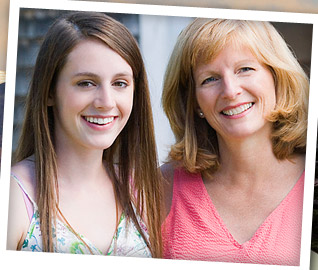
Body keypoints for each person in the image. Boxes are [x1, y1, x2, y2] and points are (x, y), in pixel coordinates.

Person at [7, 11, 162, 257]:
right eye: (86, 83)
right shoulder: (14, 196)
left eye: (120, 83)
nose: (106, 102)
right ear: (49, 92)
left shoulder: (138, 188)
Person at [161, 18, 308, 266]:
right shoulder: (161, 187)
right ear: (194, 102)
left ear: (277, 77)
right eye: (210, 79)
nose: (230, 90)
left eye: (245, 69)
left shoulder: (311, 183)